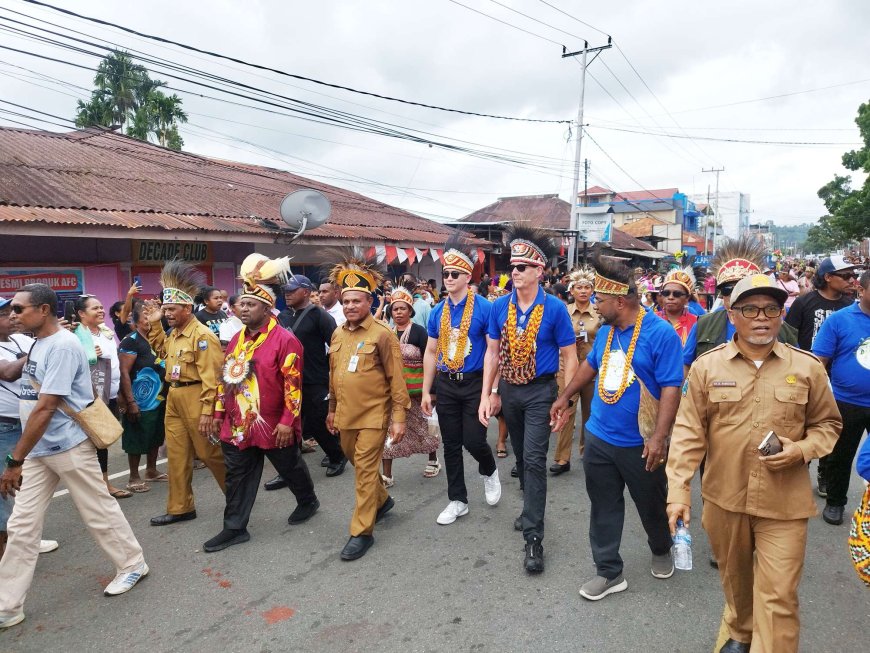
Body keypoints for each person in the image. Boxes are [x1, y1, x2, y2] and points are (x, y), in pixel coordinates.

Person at [666, 273, 841, 653]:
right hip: (724, 498)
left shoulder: (808, 368)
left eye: (771, 309)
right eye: (750, 309)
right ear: (732, 315)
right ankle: (743, 630)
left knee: (779, 597)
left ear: (781, 315)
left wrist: (799, 450)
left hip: (785, 503)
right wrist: (678, 492)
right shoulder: (706, 368)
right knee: (737, 583)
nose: (761, 317)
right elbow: (688, 432)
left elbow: (828, 426)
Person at [0, 284, 149, 630]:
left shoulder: (64, 347)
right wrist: (25, 454)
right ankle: (7, 606)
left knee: (98, 510)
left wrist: (14, 460)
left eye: (20, 310)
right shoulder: (38, 343)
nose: (13, 316)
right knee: (22, 526)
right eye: (12, 311)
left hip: (66, 445)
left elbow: (46, 407)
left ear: (44, 310)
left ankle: (132, 564)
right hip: (38, 450)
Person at [551, 256, 683, 599]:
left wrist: (660, 437)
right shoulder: (607, 331)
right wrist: (565, 397)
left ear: (620, 302)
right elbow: (589, 366)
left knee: (651, 503)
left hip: (639, 443)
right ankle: (609, 571)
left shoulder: (660, 333)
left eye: (600, 300)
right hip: (599, 436)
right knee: (604, 504)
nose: (594, 304)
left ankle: (660, 547)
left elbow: (671, 386)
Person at [480, 226, 576, 573]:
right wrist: (488, 394)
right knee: (522, 458)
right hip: (508, 389)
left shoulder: (555, 309)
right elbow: (492, 354)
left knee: (535, 460)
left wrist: (565, 398)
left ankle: (534, 538)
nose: (514, 272)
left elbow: (570, 356)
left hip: (540, 391)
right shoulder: (498, 307)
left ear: (539, 270)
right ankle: (528, 511)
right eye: (512, 266)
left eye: (522, 267)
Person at [206, 258, 319, 552]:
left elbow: (293, 387)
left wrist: (287, 421)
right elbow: (225, 377)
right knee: (237, 475)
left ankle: (308, 500)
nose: (243, 308)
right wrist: (219, 412)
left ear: (267, 308)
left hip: (273, 423)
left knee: (290, 466)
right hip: (239, 423)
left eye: (251, 304)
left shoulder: (286, 340)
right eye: (241, 303)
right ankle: (234, 527)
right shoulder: (235, 341)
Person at [327, 251, 410, 561]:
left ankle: (361, 531)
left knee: (363, 470)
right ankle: (383, 500)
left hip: (375, 416)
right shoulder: (337, 333)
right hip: (346, 414)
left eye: (356, 301)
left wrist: (398, 418)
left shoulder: (384, 335)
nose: (350, 306)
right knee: (355, 461)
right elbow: (333, 376)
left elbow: (397, 380)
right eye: (346, 301)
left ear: (370, 302)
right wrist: (332, 408)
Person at [421, 234, 498, 525]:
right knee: (450, 443)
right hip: (447, 382)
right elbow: (430, 351)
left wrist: (490, 391)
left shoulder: (485, 308)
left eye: (454, 274)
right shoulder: (437, 311)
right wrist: (428, 390)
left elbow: (494, 352)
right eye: (445, 274)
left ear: (467, 276)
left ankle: (489, 469)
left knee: (474, 440)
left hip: (476, 381)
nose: (448, 278)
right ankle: (458, 499)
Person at [143, 260, 226, 526]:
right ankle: (180, 508)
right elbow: (162, 352)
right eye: (165, 309)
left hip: (196, 396)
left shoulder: (202, 335)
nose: (167, 313)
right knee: (177, 457)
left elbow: (212, 377)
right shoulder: (174, 332)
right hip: (175, 398)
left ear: (187, 308)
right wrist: (155, 324)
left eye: (172, 309)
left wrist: (207, 411)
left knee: (211, 454)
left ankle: (238, 494)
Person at [785, 254, 858, 496]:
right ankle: (797, 471)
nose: (852, 280)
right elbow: (789, 336)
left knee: (830, 428)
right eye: (846, 275)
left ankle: (825, 473)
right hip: (805, 375)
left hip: (837, 381)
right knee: (800, 425)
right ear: (828, 277)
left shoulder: (850, 306)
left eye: (854, 275)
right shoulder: (805, 302)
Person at [268, 274, 347, 483]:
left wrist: (335, 374)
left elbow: (337, 345)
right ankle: (288, 470)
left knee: (317, 423)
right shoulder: (282, 317)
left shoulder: (319, 315)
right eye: (286, 290)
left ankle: (337, 455)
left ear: (305, 291)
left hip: (314, 379)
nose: (287, 294)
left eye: (292, 290)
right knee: (288, 425)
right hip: (287, 381)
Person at [683, 236, 798, 373]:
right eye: (728, 289)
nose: (735, 294)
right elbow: (687, 367)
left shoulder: (778, 325)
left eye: (743, 289)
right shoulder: (704, 325)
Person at [0, 297, 58, 560]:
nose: (12, 316)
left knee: (25, 486)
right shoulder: (29, 345)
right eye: (5, 313)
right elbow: (10, 372)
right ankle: (7, 550)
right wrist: (44, 346)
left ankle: (23, 539)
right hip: (4, 427)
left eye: (15, 310)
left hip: (27, 423)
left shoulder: (21, 341)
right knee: (5, 488)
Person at [812, 269, 870, 526]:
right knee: (840, 456)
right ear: (862, 290)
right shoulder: (840, 320)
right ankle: (835, 502)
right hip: (847, 402)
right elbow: (819, 361)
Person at [74, 295, 131, 499]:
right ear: (81, 313)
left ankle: (102, 484)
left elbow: (115, 362)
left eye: (101, 307)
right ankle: (101, 485)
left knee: (102, 441)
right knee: (94, 441)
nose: (100, 311)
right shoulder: (76, 335)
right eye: (94, 308)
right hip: (90, 397)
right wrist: (85, 354)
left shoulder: (106, 332)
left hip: (111, 394)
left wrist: (122, 394)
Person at [382, 287, 440, 487]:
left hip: (417, 393)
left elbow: (430, 360)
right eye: (395, 309)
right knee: (388, 430)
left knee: (425, 428)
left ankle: (433, 459)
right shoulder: (386, 333)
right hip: (392, 394)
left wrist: (431, 391)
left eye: (402, 309)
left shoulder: (419, 332)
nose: (398, 312)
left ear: (410, 311)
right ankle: (387, 474)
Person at [551, 267, 600, 475]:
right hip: (567, 368)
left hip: (591, 370)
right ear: (572, 290)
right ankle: (562, 458)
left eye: (587, 287)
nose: (583, 291)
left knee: (590, 413)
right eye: (579, 287)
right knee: (566, 410)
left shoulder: (599, 312)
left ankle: (587, 452)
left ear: (592, 291)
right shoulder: (563, 311)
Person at [117, 304, 168, 493]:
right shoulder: (130, 341)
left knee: (155, 434)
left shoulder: (155, 339)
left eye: (152, 316)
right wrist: (130, 402)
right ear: (136, 321)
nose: (150, 320)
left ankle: (151, 470)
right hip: (140, 399)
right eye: (146, 317)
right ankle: (133, 477)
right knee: (136, 437)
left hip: (159, 397)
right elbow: (124, 372)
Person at [655, 267, 698, 345]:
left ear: (687, 298)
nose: (670, 297)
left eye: (677, 294)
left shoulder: (696, 323)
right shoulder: (651, 320)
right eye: (666, 293)